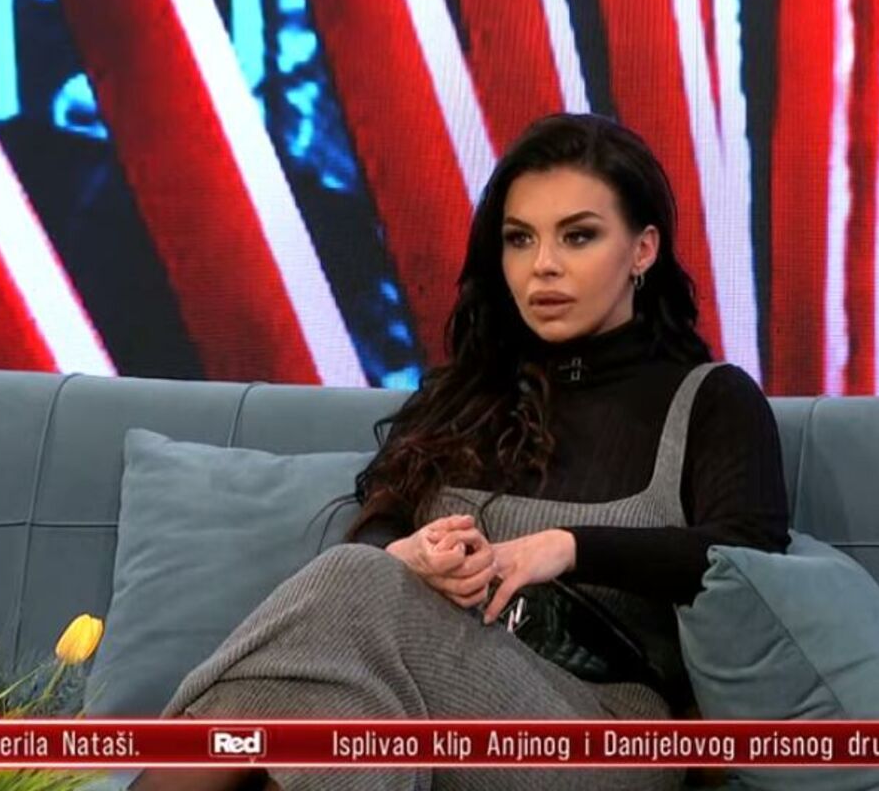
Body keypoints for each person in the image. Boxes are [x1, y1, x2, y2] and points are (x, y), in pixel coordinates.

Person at [130, 113, 790, 791]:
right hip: (417, 697)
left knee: (355, 593)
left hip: (601, 731)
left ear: (643, 249)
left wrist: (568, 548)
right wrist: (411, 555)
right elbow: (381, 523)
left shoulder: (711, 398)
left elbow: (752, 554)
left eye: (578, 236)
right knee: (344, 699)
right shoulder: (464, 393)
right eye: (519, 239)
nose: (543, 265)